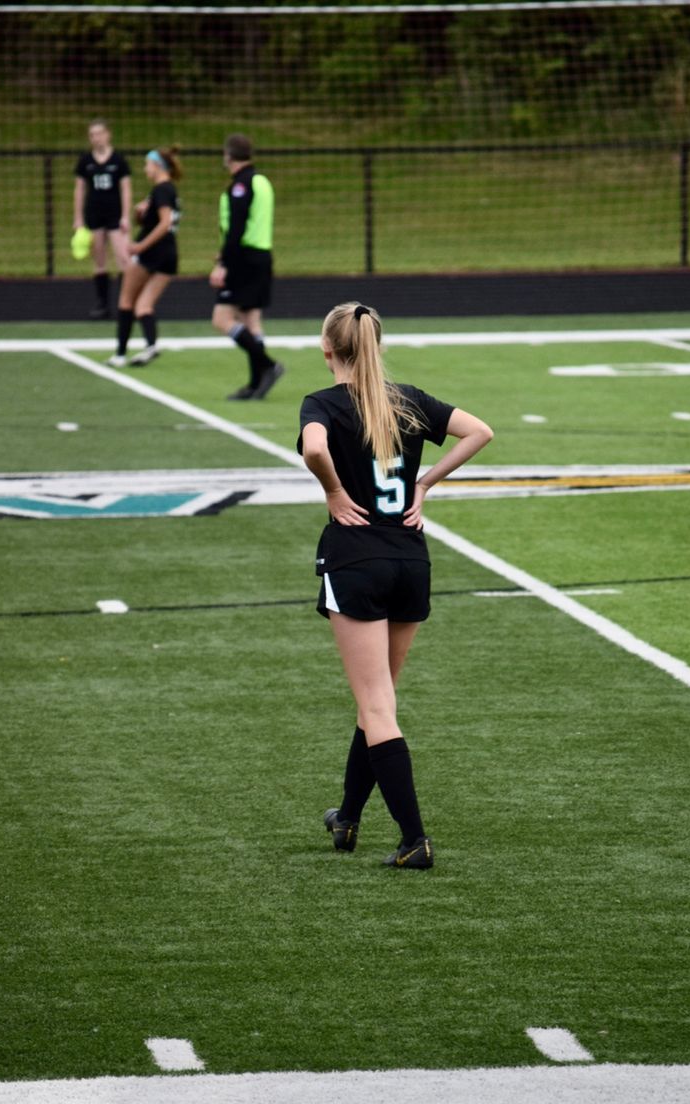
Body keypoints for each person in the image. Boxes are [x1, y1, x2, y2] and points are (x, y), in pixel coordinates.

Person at [298, 302, 493, 869]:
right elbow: (479, 432)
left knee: (377, 707)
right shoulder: (406, 398)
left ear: (327, 348)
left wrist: (333, 491)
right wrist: (425, 483)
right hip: (410, 558)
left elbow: (314, 449)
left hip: (357, 560)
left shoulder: (323, 403)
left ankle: (414, 840)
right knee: (376, 702)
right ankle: (348, 815)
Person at [209, 133, 284, 401]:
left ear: (228, 156)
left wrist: (223, 264)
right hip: (262, 256)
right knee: (251, 321)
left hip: (244, 258)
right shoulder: (263, 181)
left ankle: (268, 365)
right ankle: (255, 384)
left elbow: (236, 227)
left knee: (222, 319)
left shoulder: (240, 186)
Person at [107, 147, 181, 369]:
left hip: (154, 253)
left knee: (126, 300)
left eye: (147, 164)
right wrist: (141, 214)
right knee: (143, 306)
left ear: (157, 165)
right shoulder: (169, 190)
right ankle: (150, 346)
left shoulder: (161, 190)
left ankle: (120, 354)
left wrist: (140, 246)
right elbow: (156, 221)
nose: (145, 168)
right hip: (170, 254)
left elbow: (165, 223)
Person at [73, 119, 132, 320]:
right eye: (92, 135)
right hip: (94, 215)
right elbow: (79, 189)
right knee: (99, 261)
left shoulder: (118, 160)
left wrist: (126, 216)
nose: (96, 138)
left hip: (114, 215)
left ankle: (127, 302)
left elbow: (125, 189)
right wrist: (78, 218)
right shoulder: (85, 161)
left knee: (124, 258)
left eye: (99, 133)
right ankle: (102, 304)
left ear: (108, 134)